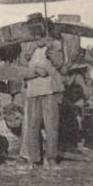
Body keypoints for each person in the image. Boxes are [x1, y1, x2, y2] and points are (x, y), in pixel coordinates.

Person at [20, 39, 67, 169]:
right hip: (32, 91)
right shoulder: (26, 46)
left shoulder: (55, 44)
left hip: (50, 91)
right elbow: (22, 70)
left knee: (51, 126)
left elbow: (61, 66)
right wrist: (35, 71)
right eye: (35, 32)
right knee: (32, 126)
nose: (38, 36)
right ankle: (34, 159)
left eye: (40, 31)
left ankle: (51, 158)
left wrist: (51, 55)